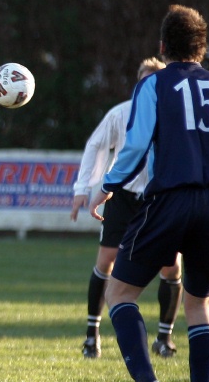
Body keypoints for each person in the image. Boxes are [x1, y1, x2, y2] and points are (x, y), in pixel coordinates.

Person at [89, 4, 209, 382]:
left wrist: (109, 184)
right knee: (200, 306)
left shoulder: (154, 86)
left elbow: (136, 144)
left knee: (120, 292)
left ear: (163, 47)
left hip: (171, 199)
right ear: (202, 47)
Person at [71, 58, 182, 359]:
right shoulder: (120, 114)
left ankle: (164, 337)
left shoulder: (175, 115)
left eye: (154, 83)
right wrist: (83, 188)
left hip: (159, 199)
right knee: (106, 260)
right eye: (143, 82)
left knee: (171, 266)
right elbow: (96, 146)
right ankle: (92, 334)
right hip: (122, 198)